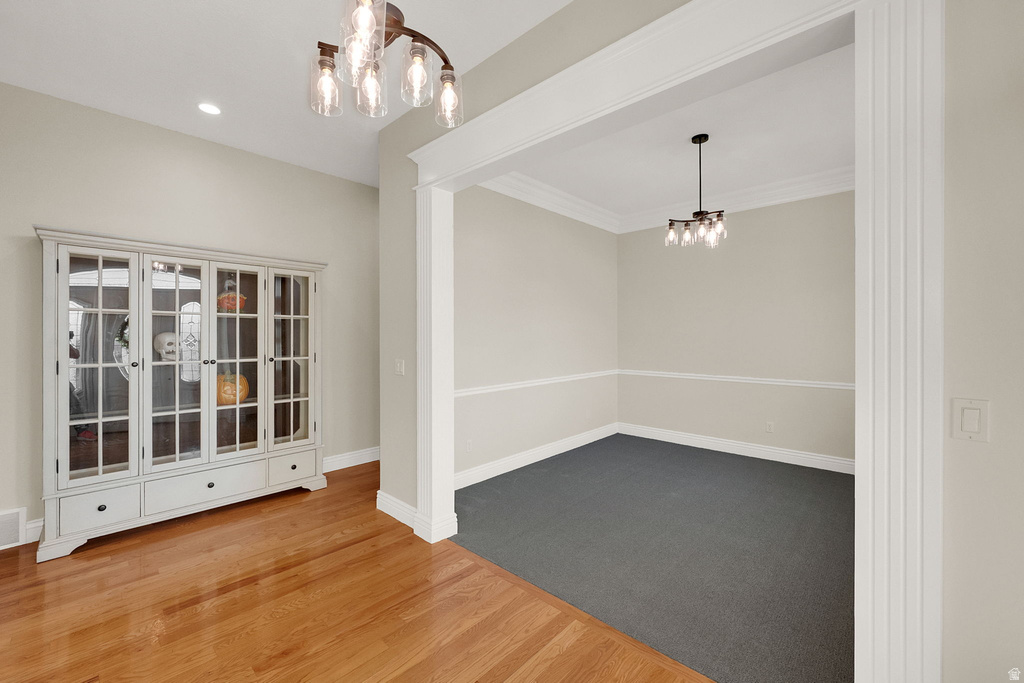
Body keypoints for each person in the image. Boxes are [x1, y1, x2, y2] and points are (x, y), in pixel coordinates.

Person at [69, 331, 96, 442]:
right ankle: (82, 430)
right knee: (73, 402)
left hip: (59, 376)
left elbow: (76, 354)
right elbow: (75, 354)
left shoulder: (61, 340)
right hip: (52, 377)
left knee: (74, 401)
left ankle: (82, 430)